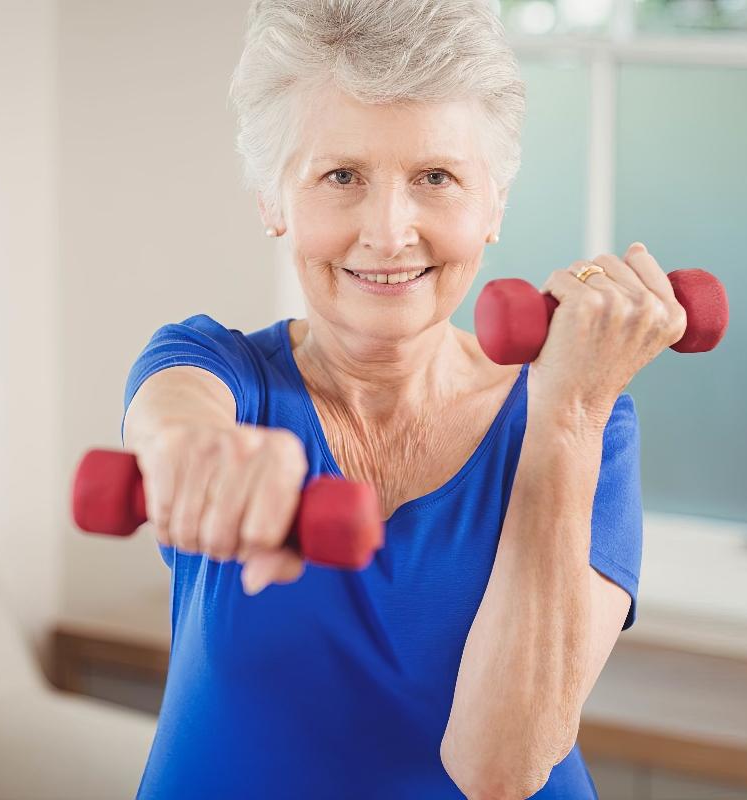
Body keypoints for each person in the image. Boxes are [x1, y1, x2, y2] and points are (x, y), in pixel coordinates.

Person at [120, 1, 687, 797]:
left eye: (436, 177)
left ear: (493, 204)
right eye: (341, 175)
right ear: (272, 200)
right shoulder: (216, 369)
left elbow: (500, 767)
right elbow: (174, 417)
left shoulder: (587, 413)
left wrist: (567, 412)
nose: (388, 232)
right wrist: (193, 453)